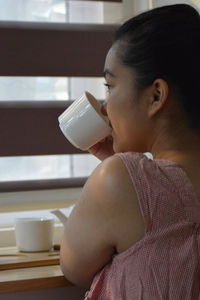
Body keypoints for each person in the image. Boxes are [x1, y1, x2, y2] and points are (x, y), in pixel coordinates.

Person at [60, 4, 200, 299]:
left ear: (156, 96)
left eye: (110, 86)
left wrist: (116, 171)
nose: (104, 106)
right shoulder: (129, 180)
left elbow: (73, 269)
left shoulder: (118, 180)